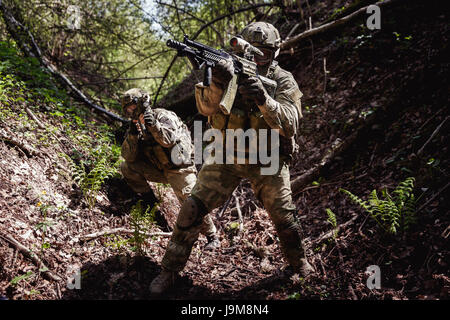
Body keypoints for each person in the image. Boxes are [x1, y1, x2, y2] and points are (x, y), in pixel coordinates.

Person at [150, 22, 314, 294]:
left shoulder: (283, 80)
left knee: (284, 216)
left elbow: (291, 124)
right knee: (192, 208)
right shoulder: (224, 71)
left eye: (265, 52)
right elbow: (204, 109)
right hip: (226, 153)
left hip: (267, 156)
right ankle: (169, 270)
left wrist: (263, 98)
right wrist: (217, 81)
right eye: (252, 51)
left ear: (275, 53)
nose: (257, 57)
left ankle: (299, 264)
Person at [120, 88, 219, 248]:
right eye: (127, 109)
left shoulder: (163, 116)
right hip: (158, 167)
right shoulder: (136, 125)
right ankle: (150, 202)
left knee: (192, 199)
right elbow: (128, 156)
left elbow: (169, 141)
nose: (131, 112)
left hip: (179, 168)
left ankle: (211, 235)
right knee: (127, 167)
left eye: (133, 107)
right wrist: (132, 135)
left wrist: (154, 126)